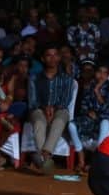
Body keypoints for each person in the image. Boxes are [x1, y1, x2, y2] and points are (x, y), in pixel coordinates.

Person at [27, 43, 75, 174]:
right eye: (49, 55)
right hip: (38, 109)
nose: (52, 58)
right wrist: (44, 108)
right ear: (43, 59)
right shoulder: (34, 78)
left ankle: (44, 155)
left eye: (55, 55)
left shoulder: (66, 77)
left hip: (60, 109)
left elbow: (66, 99)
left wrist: (53, 108)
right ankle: (45, 162)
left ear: (59, 57)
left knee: (59, 120)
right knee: (39, 122)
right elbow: (32, 101)